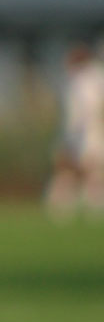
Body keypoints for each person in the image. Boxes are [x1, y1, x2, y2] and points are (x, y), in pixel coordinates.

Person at [44, 42, 104, 221]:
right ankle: (90, 207)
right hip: (89, 132)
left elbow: (84, 112)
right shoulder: (95, 77)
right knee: (90, 171)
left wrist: (73, 137)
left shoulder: (85, 80)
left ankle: (65, 207)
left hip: (85, 133)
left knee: (79, 169)